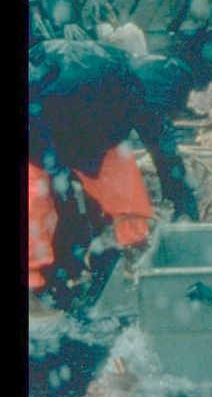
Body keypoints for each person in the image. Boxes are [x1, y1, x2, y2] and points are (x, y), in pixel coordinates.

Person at [27, 32, 200, 306]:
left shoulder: (145, 94)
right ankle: (33, 285)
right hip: (38, 130)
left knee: (127, 194)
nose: (156, 117)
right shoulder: (83, 78)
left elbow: (163, 148)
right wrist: (58, 175)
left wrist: (184, 203)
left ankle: (131, 257)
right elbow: (36, 121)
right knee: (37, 203)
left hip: (91, 131)